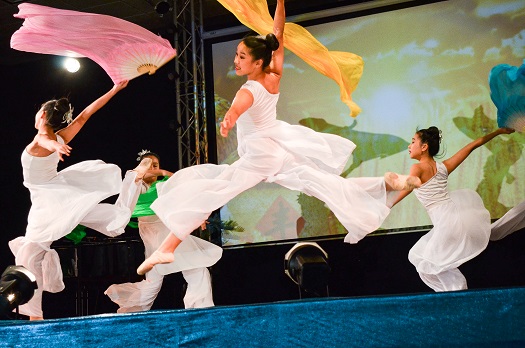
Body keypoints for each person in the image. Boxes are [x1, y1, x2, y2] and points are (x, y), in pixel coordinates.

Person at [136, 0, 419, 275]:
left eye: (242, 57)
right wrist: (280, 4)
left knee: (214, 189)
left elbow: (238, 107)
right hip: (275, 150)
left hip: (261, 154)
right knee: (321, 183)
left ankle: (168, 247)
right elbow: (279, 33)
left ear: (258, 62)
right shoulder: (274, 73)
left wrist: (230, 119)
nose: (235, 61)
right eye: (236, 54)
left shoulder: (247, 90)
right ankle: (386, 181)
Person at [8, 81, 149, 320]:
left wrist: (53, 145)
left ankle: (35, 317)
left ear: (42, 115)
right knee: (35, 251)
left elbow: (43, 140)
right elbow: (84, 116)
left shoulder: (46, 137)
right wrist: (113, 90)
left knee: (29, 255)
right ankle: (133, 182)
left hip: (49, 198)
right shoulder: (58, 137)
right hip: (58, 194)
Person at [388, 126, 515, 292]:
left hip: (447, 221)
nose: (409, 146)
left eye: (413, 142)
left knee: (424, 261)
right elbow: (472, 146)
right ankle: (455, 292)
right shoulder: (443, 167)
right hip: (455, 216)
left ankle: (458, 292)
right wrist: (498, 132)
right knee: (424, 259)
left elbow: (407, 187)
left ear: (424, 147)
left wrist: (387, 205)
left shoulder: (417, 168)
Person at [105, 150, 223, 311]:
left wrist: (198, 217)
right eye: (148, 164)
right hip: (152, 231)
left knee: (194, 267)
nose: (152, 168)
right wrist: (161, 171)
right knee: (154, 281)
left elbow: (184, 194)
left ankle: (200, 309)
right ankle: (131, 312)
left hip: (167, 228)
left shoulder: (162, 184)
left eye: (156, 165)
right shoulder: (134, 183)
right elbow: (130, 193)